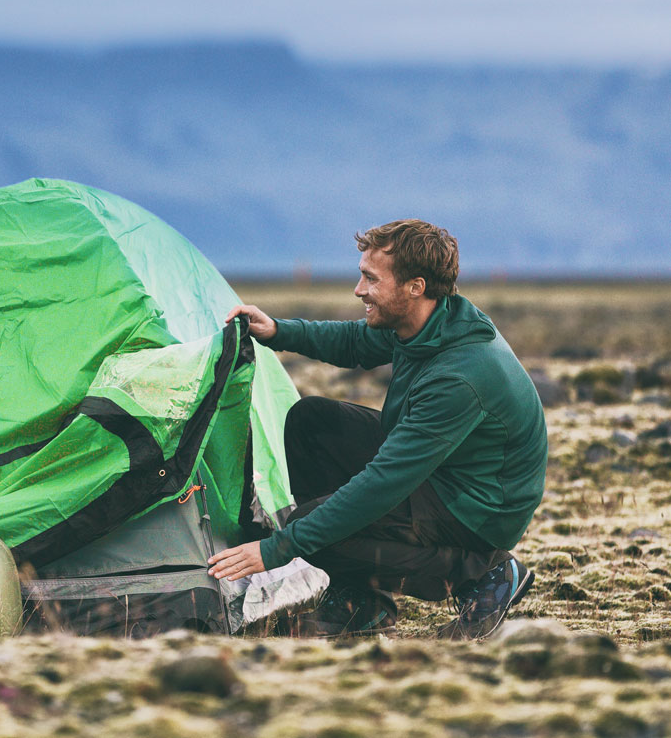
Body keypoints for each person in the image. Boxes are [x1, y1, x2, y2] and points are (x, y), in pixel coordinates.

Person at [207, 220, 547, 639]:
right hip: (447, 471)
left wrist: (278, 548)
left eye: (371, 278)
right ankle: (363, 601)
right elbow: (356, 342)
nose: (358, 289)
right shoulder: (427, 323)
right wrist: (278, 331)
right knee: (311, 421)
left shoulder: (459, 376)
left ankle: (483, 573)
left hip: (479, 508)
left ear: (415, 287)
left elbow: (382, 485)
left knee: (320, 530)